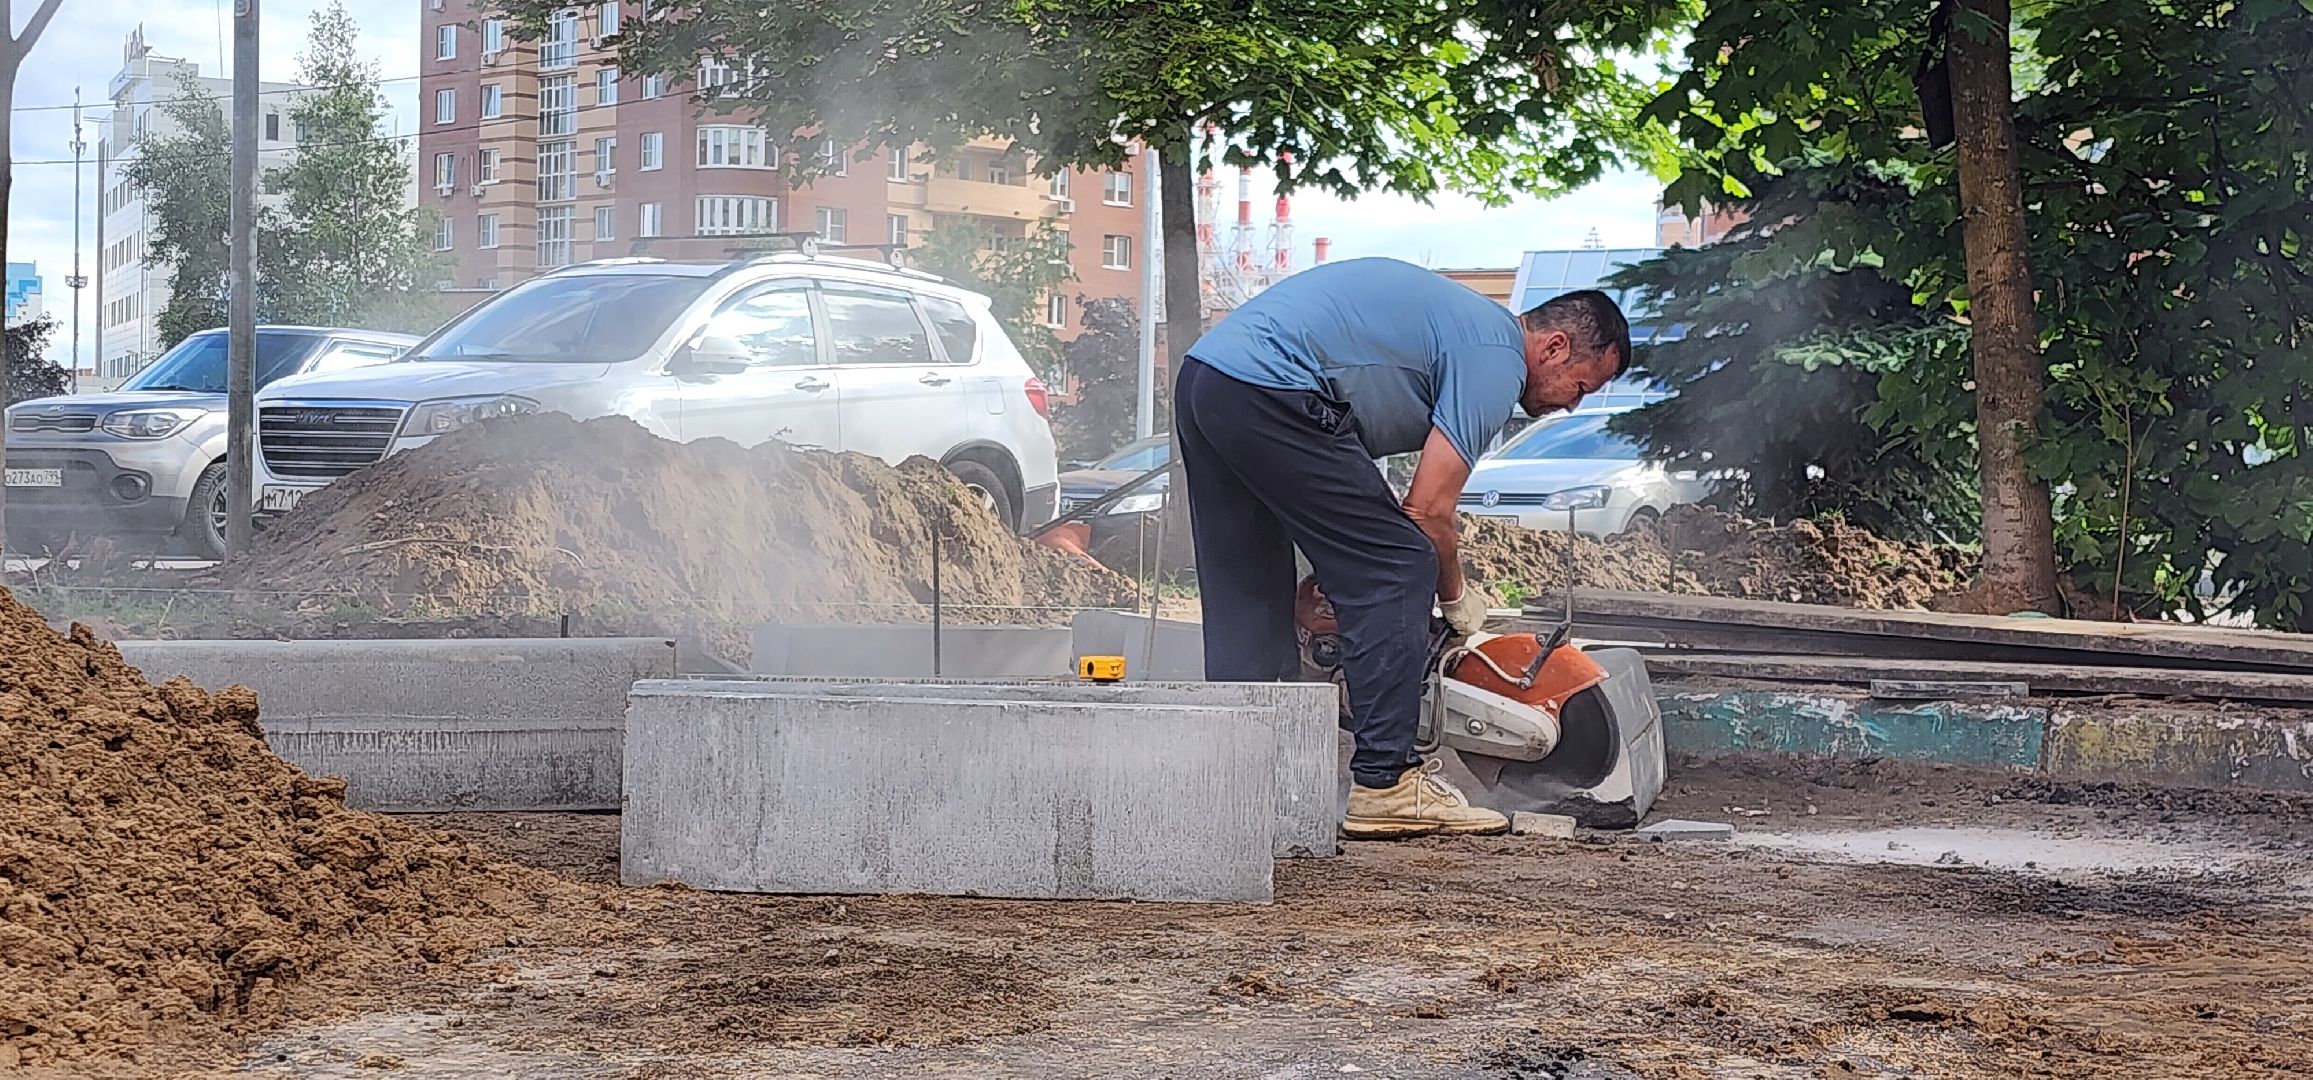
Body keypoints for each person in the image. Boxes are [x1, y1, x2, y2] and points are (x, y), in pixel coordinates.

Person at [1173, 257, 1633, 840]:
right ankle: (1387, 783)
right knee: (1399, 564)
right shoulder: (1497, 359)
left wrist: (1340, 565)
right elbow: (1428, 511)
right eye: (1581, 387)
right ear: (1555, 347)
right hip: (1272, 387)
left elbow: (1352, 485)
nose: (1572, 405)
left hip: (1210, 378)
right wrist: (1456, 597)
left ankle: (1238, 783)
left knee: (1252, 584)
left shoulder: (1458, 331)